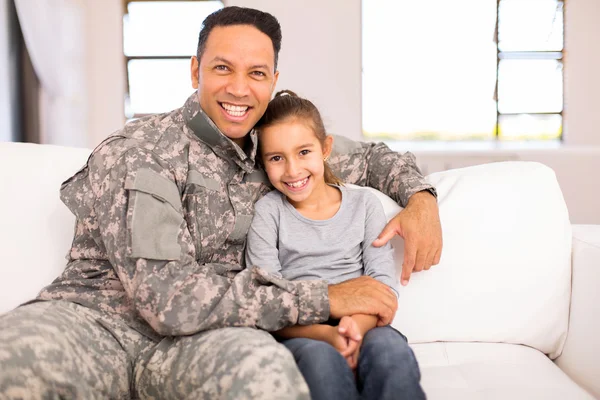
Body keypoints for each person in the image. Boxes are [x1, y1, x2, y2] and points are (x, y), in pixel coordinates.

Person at [0, 6, 441, 399]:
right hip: (94, 324)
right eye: (222, 68)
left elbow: (375, 159)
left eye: (256, 73)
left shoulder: (277, 148)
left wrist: (421, 199)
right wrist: (325, 298)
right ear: (195, 72)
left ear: (273, 81)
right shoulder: (139, 150)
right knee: (14, 364)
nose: (239, 88)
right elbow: (166, 298)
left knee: (266, 374)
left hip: (205, 340)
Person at [245, 90, 426, 400]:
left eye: (304, 152)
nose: (292, 170)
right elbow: (266, 298)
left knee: (391, 356)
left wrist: (354, 330)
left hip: (365, 324)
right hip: (305, 331)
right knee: (322, 364)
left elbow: (382, 285)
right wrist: (328, 334)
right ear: (263, 162)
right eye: (276, 158)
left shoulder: (363, 205)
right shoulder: (268, 212)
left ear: (325, 148)